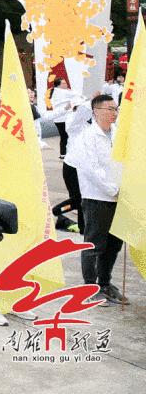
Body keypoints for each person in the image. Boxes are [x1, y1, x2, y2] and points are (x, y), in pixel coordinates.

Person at [66, 94, 129, 306]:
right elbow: (92, 170)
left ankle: (105, 283)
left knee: (113, 244)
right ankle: (90, 287)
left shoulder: (118, 134)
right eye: (110, 109)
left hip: (120, 197)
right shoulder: (87, 137)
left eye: (116, 109)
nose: (114, 113)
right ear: (97, 111)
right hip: (97, 197)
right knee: (94, 244)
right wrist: (112, 189)